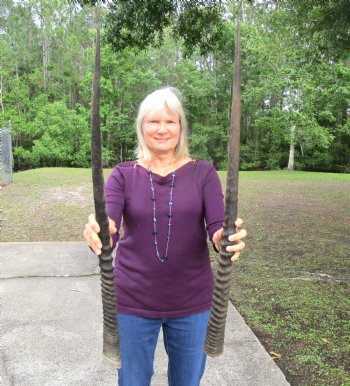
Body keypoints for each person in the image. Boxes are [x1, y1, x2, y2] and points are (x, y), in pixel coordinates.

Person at [83, 87, 247, 386]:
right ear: (141, 127)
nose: (162, 129)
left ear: (181, 127)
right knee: (132, 381)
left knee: (186, 381)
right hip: (132, 300)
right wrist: (100, 228)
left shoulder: (204, 173)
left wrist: (226, 237)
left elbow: (217, 225)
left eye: (170, 121)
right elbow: (109, 221)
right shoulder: (123, 174)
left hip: (192, 302)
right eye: (153, 122)